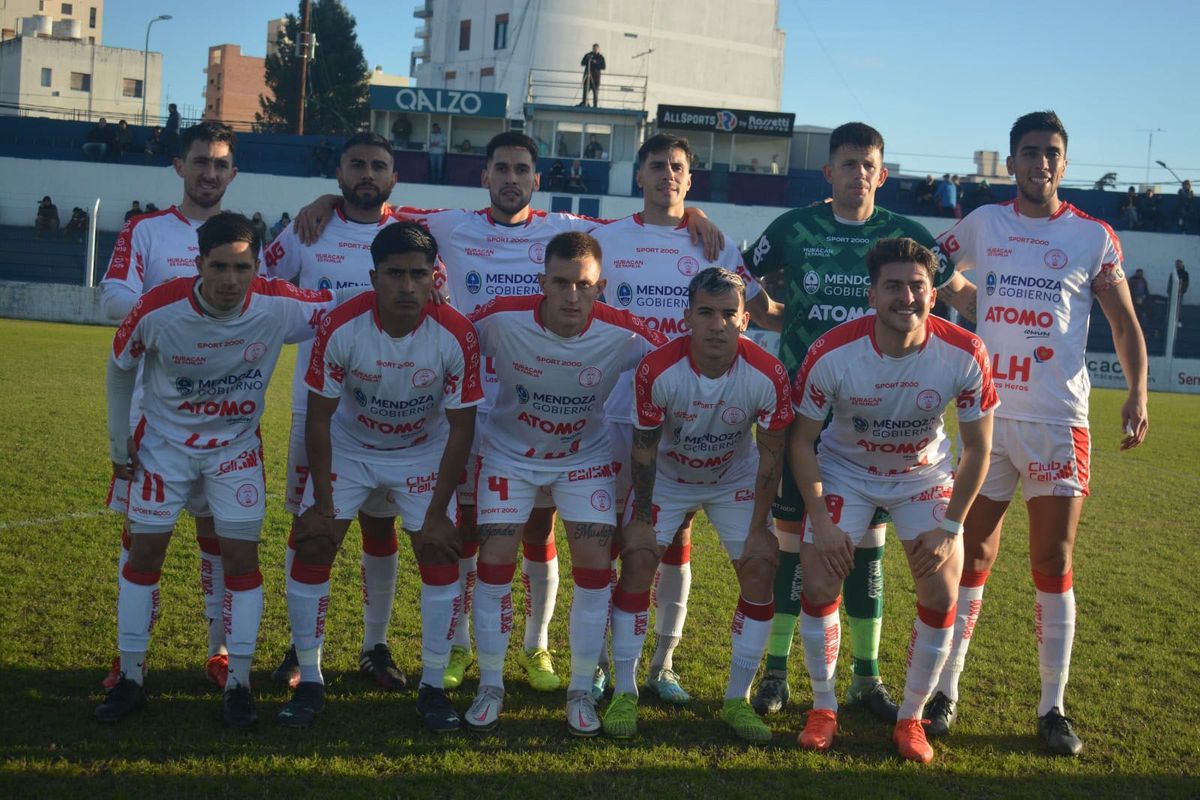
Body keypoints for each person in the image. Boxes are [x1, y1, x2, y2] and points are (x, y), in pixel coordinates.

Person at [291, 131, 729, 696]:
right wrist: (326, 202)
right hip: (470, 405)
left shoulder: (562, 228)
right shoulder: (448, 224)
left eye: (521, 169)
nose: (510, 179)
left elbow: (645, 218)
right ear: (485, 176)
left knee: (539, 529)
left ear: (536, 179)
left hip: (554, 397)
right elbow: (378, 203)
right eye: (500, 168)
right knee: (469, 531)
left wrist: (688, 210)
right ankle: (458, 647)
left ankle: (537, 645)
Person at [929, 110, 1148, 756]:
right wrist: (971, 299)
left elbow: (1125, 322)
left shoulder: (1091, 236)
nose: (1040, 163)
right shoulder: (983, 224)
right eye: (1029, 152)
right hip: (986, 418)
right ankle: (946, 688)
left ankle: (1052, 707)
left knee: (1052, 562)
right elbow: (930, 267)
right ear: (1012, 160)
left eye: (1051, 152)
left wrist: (1137, 392)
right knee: (972, 556)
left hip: (1058, 421)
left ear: (1064, 163)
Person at [743, 121, 975, 721]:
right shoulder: (793, 228)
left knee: (866, 544)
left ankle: (865, 678)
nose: (858, 175)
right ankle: (775, 671)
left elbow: (960, 295)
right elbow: (744, 283)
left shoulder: (907, 235)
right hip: (807, 406)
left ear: (883, 172)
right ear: (830, 172)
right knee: (800, 544)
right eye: (848, 164)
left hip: (887, 415)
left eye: (869, 165)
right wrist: (778, 323)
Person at [95, 212, 336, 727]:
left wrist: (431, 289)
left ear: (256, 266)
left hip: (235, 452)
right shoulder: (158, 307)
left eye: (242, 268)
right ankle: (132, 677)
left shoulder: (278, 303)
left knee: (241, 560)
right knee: (144, 552)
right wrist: (120, 443)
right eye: (220, 267)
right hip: (163, 448)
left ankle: (240, 686)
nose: (231, 280)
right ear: (199, 264)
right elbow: (120, 368)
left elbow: (346, 306)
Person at [590, 133, 782, 707]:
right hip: (615, 411)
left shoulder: (715, 244)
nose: (667, 176)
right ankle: (601, 663)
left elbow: (761, 310)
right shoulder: (605, 237)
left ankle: (662, 664)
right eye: (657, 166)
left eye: (678, 168)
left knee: (675, 544)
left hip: (691, 415)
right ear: (639, 174)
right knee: (615, 542)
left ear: (689, 179)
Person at [790, 237, 996, 763]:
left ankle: (911, 718)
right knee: (818, 579)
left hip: (921, 476)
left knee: (941, 592)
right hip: (846, 472)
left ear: (934, 293)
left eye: (917, 286)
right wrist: (822, 520)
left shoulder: (965, 351)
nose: (906, 296)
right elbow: (800, 441)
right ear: (871, 293)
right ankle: (824, 706)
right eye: (893, 286)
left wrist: (951, 527)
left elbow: (977, 450)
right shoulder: (832, 351)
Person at [463, 231, 668, 736]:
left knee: (596, 568)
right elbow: (450, 338)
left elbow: (675, 362)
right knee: (493, 566)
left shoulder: (624, 333)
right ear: (543, 283)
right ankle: (490, 685)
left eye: (584, 285)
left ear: (601, 288)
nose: (572, 295)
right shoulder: (500, 318)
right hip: (509, 455)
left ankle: (580, 690)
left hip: (585, 457)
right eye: (560, 283)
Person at [280, 222, 481, 732]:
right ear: (374, 277)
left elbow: (461, 429)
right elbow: (319, 417)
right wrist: (324, 504)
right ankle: (311, 680)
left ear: (436, 275)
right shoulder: (342, 324)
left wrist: (437, 513)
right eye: (395, 274)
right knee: (313, 546)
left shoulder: (456, 332)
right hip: (351, 447)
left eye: (419, 274)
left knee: (439, 552)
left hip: (421, 452)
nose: (408, 285)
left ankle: (432, 686)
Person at [604, 267, 791, 743]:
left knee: (760, 565)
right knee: (640, 558)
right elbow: (643, 450)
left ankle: (736, 700)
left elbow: (771, 456)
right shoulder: (658, 368)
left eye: (728, 313)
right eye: (705, 313)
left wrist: (758, 528)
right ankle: (625, 691)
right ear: (687, 317)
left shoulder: (767, 373)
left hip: (733, 479)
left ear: (745, 319)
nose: (717, 324)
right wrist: (642, 518)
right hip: (668, 476)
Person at [264, 132, 413, 694]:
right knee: (311, 526)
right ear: (339, 173)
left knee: (381, 524)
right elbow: (262, 284)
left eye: (379, 165)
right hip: (317, 407)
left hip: (394, 407)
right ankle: (301, 647)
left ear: (393, 178)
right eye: (357, 164)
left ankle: (375, 645)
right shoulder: (306, 230)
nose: (367, 173)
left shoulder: (413, 233)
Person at [99, 121, 242, 691]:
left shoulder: (241, 237)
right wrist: (190, 317)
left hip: (225, 418)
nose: (210, 173)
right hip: (151, 416)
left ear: (233, 173)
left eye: (221, 164)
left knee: (219, 537)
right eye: (201, 161)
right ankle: (128, 655)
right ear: (180, 167)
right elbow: (113, 298)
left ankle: (220, 649)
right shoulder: (147, 231)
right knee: (141, 538)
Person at [1128, 268, 1151, 332]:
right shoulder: (1132, 280)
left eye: (1141, 273)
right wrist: (1134, 298)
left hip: (1142, 299)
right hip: (1133, 299)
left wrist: (1144, 297)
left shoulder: (1143, 281)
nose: (1140, 275)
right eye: (1139, 273)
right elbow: (1129, 290)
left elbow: (1146, 291)